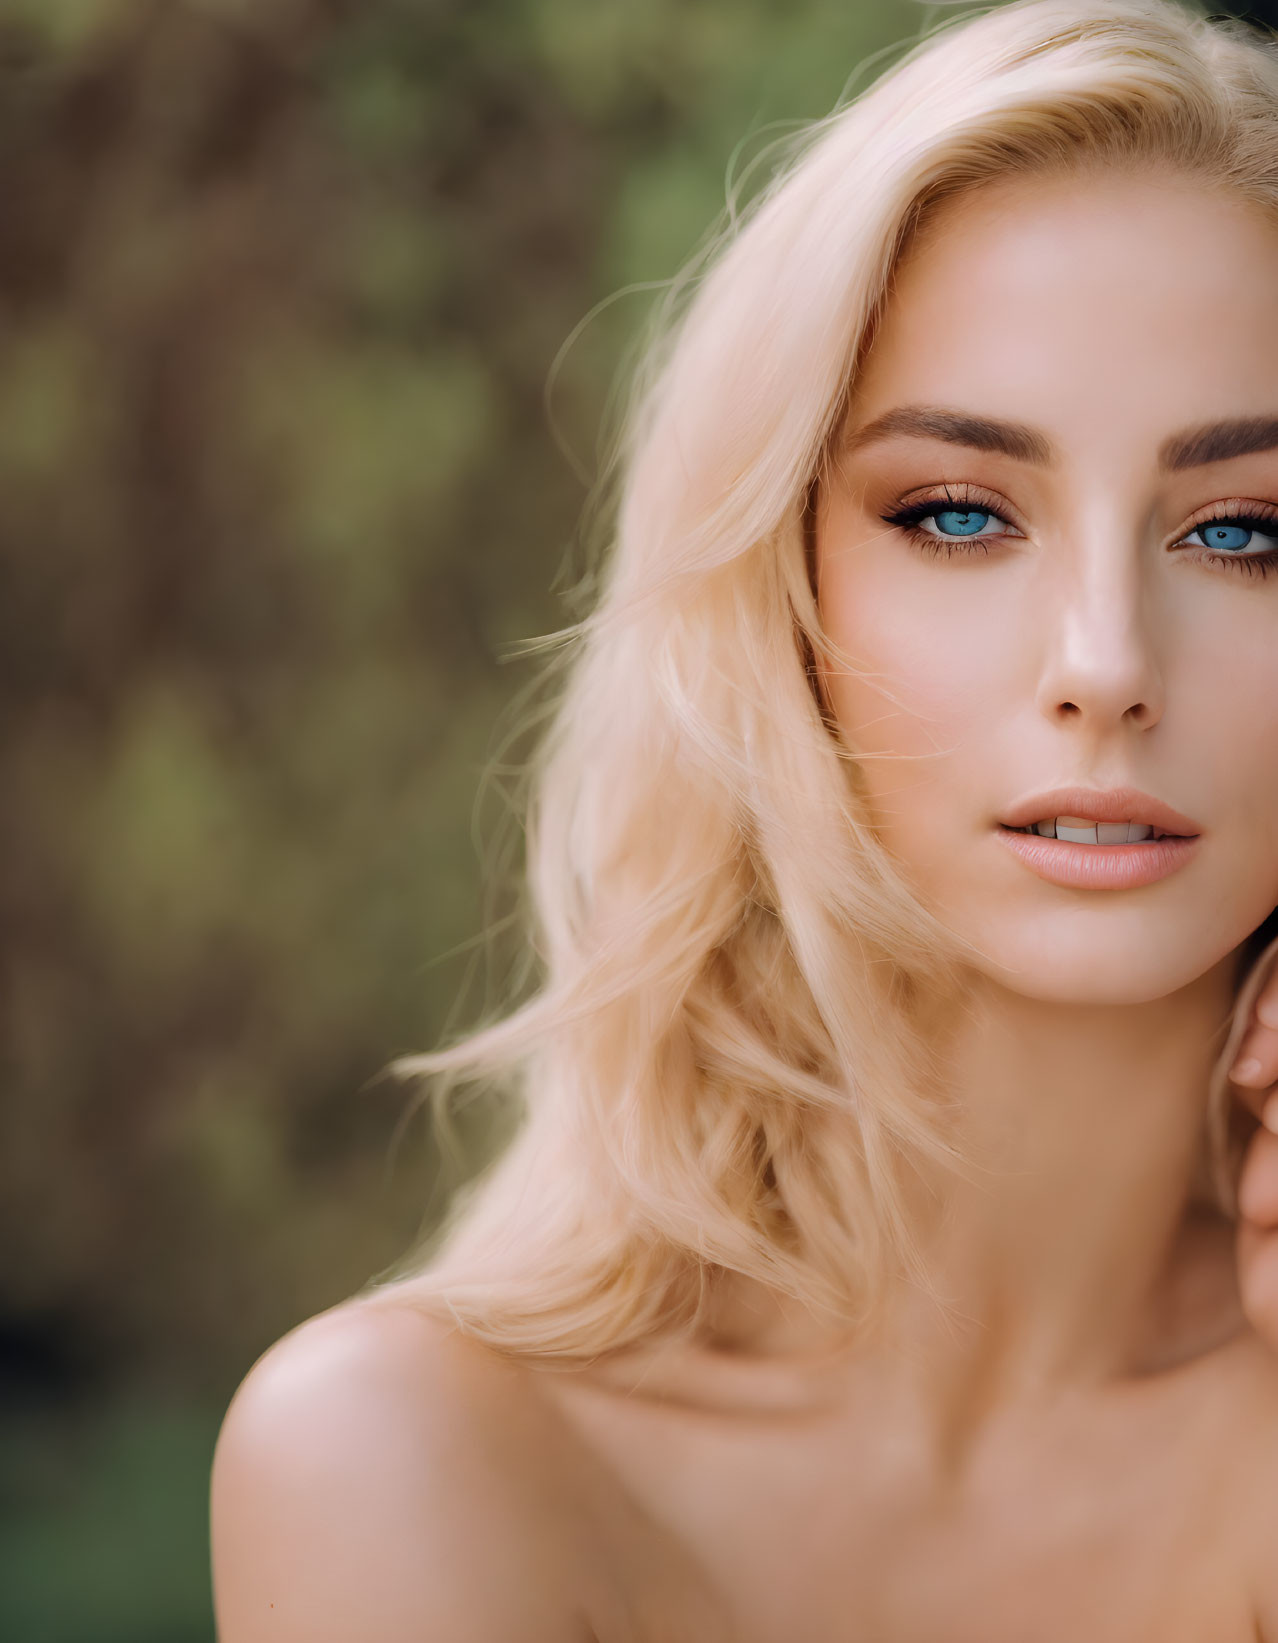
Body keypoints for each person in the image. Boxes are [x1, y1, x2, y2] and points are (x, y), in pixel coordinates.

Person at [210, 0, 1278, 1636]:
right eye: (957, 512)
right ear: (779, 592)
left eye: (1240, 535)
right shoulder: (419, 1461)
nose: (1103, 668)